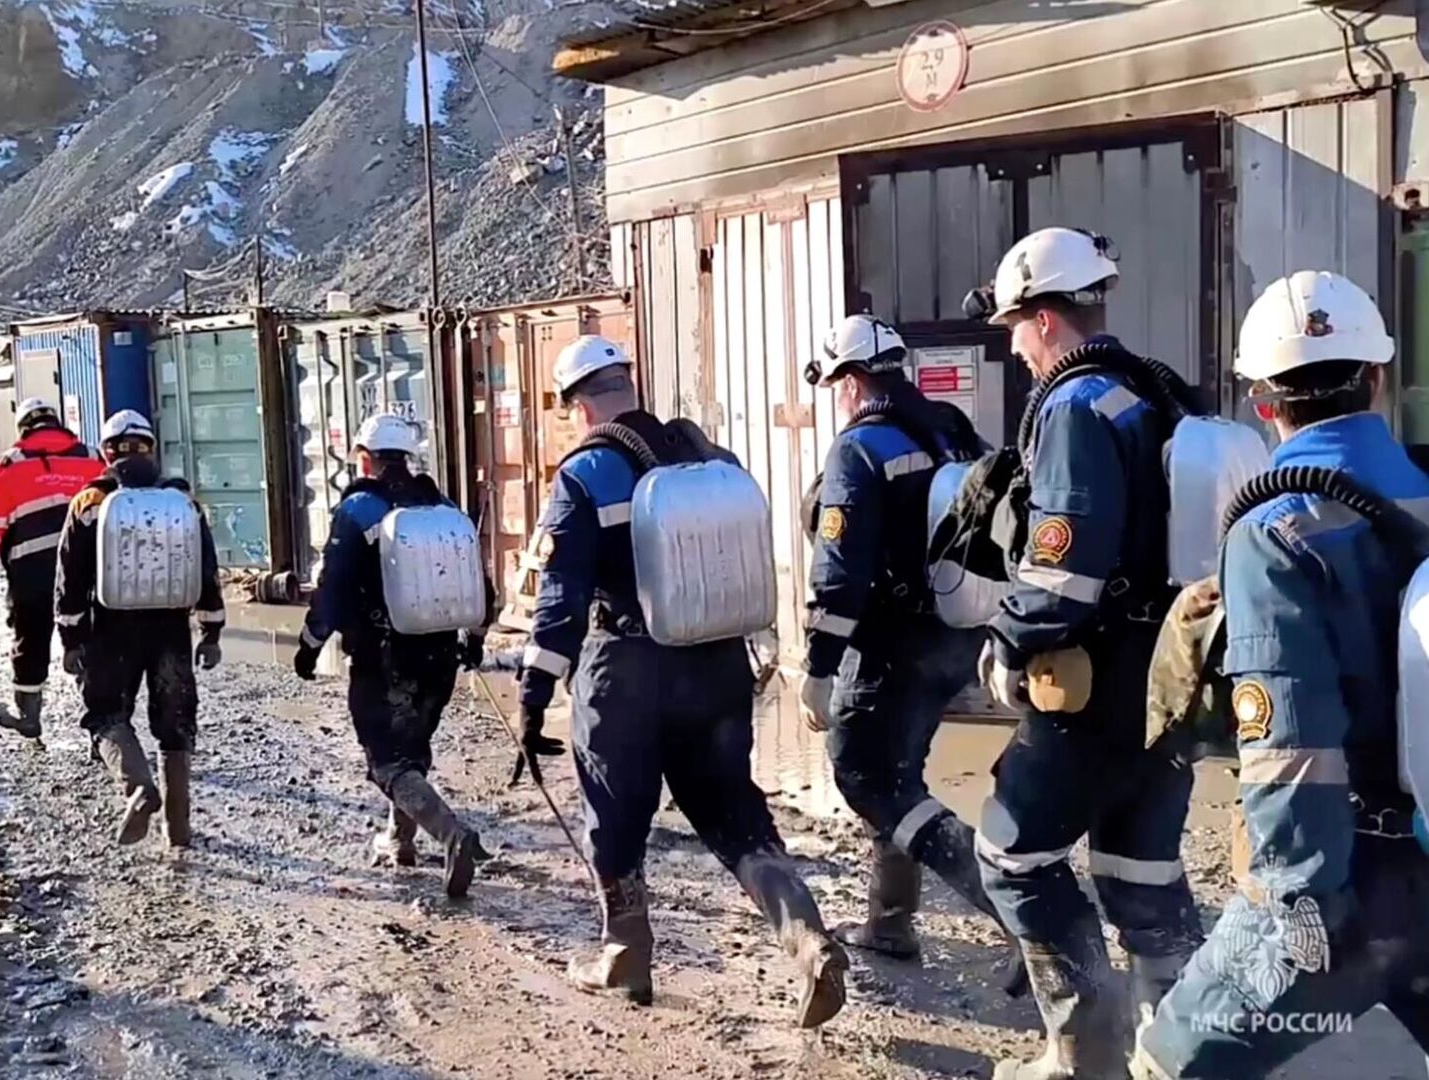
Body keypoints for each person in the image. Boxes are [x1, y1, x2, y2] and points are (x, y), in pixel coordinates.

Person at [1132, 273, 1429, 1078]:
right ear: (1378, 377)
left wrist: (1299, 918)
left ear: (1265, 404)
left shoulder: (1273, 531)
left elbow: (1292, 750)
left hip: (1354, 877)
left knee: (1172, 1061)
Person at [517, 334, 847, 1023]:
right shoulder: (707, 457)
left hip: (627, 672)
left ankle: (624, 952)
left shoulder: (585, 473)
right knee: (733, 813)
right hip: (716, 666)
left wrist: (535, 689)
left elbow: (561, 595)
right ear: (628, 386)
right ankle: (809, 940)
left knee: (615, 811)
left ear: (578, 404)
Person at [966, 227, 1204, 1079]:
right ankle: (1183, 1048)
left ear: (1042, 317)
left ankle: (1085, 1048)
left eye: (1014, 328)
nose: (1015, 347)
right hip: (1165, 677)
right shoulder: (1150, 394)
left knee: (1012, 854)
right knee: (1140, 868)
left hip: (1093, 681)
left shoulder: (1072, 406)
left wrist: (1005, 642)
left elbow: (1063, 576)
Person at [798, 315, 1024, 993]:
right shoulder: (950, 428)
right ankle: (889, 923)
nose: (837, 396)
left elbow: (839, 574)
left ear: (850, 380)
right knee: (899, 776)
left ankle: (1017, 914)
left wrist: (816, 669)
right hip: (953, 638)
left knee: (867, 777)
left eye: (836, 383)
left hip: (889, 647)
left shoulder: (859, 448)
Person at [292, 412, 495, 897]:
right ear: (406, 457)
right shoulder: (441, 506)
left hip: (384, 656)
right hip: (440, 652)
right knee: (411, 747)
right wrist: (475, 636)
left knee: (386, 760)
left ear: (365, 458)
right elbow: (476, 583)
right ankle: (399, 842)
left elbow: (333, 589)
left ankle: (452, 835)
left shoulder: (359, 509)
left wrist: (310, 644)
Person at [56, 409, 225, 847]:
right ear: (152, 450)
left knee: (106, 714)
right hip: (171, 630)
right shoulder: (183, 501)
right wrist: (211, 630)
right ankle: (179, 832)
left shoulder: (90, 503)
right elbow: (206, 568)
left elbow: (70, 579)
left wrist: (71, 639)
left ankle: (138, 788)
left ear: (104, 453)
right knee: (176, 725)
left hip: (110, 630)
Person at [0, 397, 106, 740]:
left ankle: (28, 716)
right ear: (57, 424)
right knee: (88, 640)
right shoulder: (92, 458)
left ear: (24, 428)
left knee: (30, 638)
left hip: (32, 574)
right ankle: (103, 725)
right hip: (87, 571)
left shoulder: (11, 464)